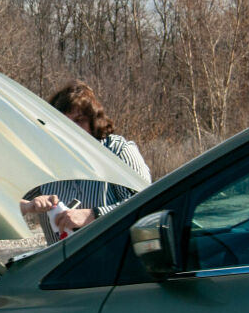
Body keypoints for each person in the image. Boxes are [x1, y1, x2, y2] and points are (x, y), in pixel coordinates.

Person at [20, 80, 151, 244]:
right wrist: (29, 206)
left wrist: (92, 215)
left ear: (93, 120)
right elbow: (4, 200)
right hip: (62, 264)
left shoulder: (118, 151)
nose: (70, 129)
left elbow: (147, 206)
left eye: (79, 120)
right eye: (63, 122)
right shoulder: (45, 161)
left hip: (115, 260)